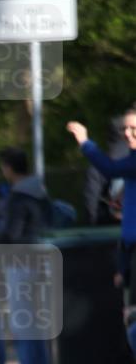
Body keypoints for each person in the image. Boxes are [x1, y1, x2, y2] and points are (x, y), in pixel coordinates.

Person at [67, 108, 136, 303]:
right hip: (129, 247)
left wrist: (85, 142)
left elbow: (110, 168)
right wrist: (123, 267)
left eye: (133, 128)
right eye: (125, 128)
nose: (127, 133)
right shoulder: (130, 158)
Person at [0, 147, 52, 364]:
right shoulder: (41, 192)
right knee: (38, 316)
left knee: (22, 315)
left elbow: (13, 232)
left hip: (19, 259)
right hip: (41, 258)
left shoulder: (18, 197)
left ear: (8, 168)